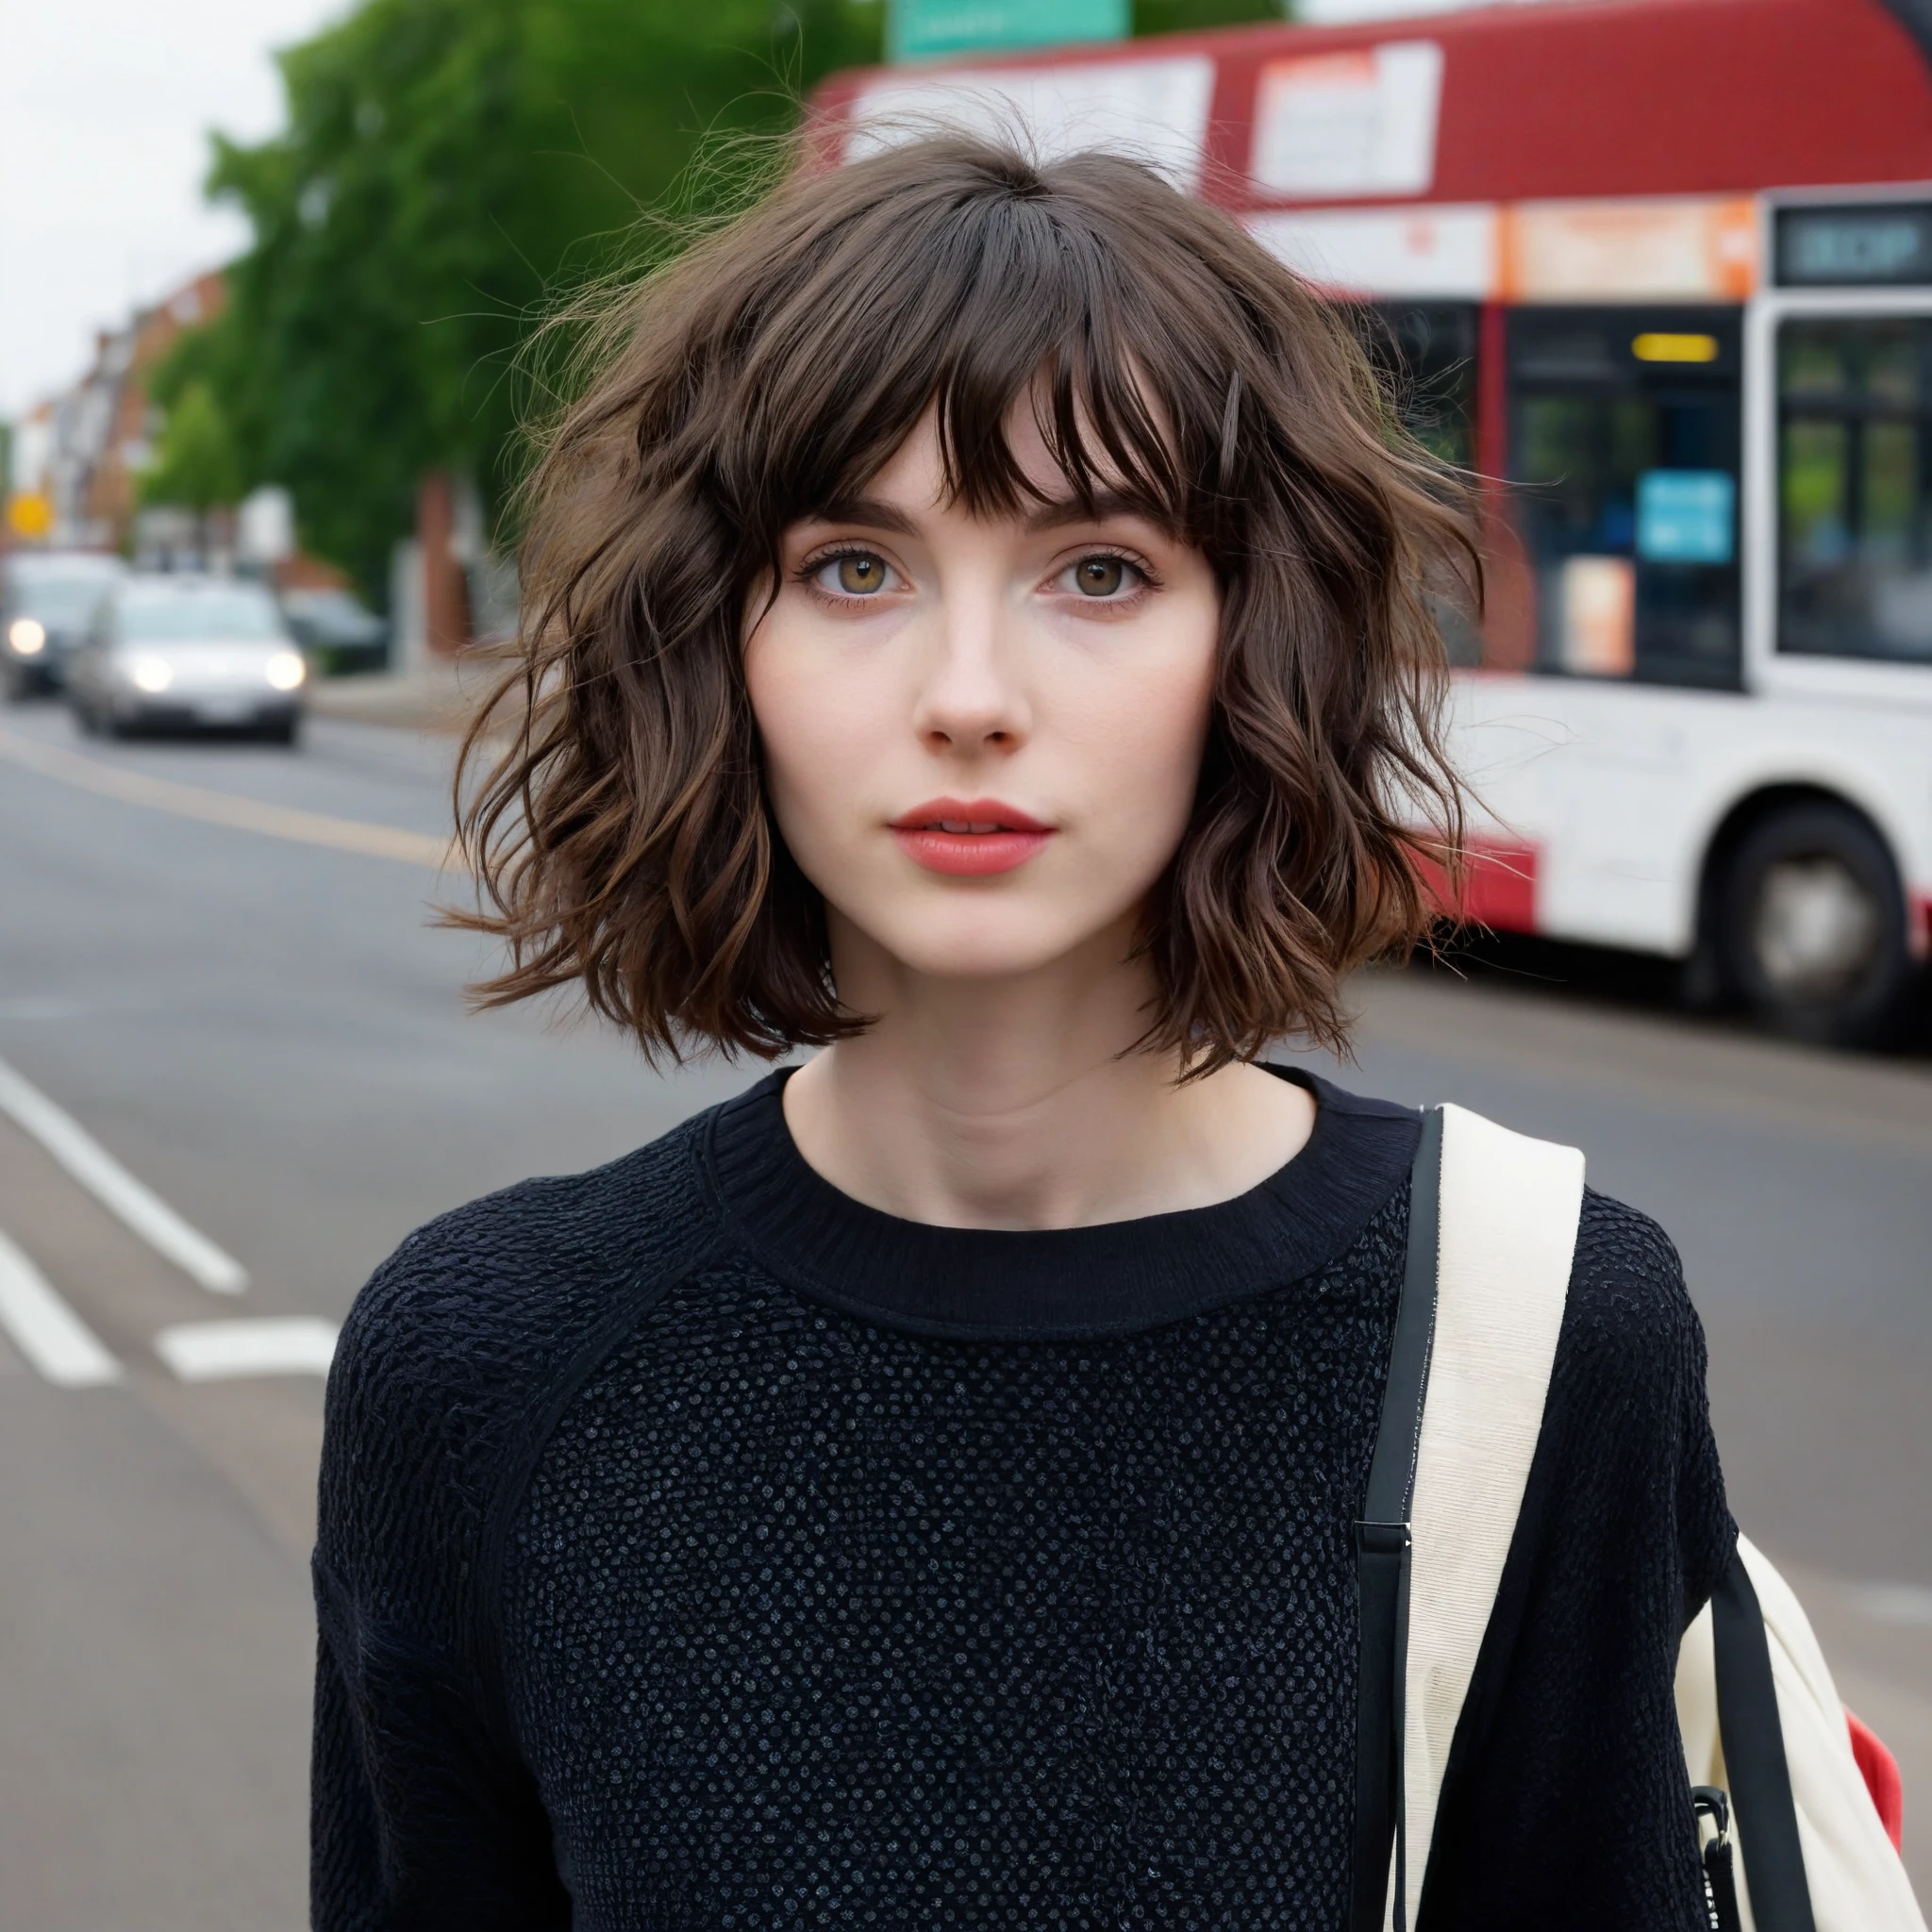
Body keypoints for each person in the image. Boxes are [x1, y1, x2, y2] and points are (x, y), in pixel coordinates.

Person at [311, 137, 1731, 1929]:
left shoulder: (1549, 1339)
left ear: (1257, 645)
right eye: (852, 568)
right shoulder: (478, 1368)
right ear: (709, 644)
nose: (969, 699)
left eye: (1101, 573)